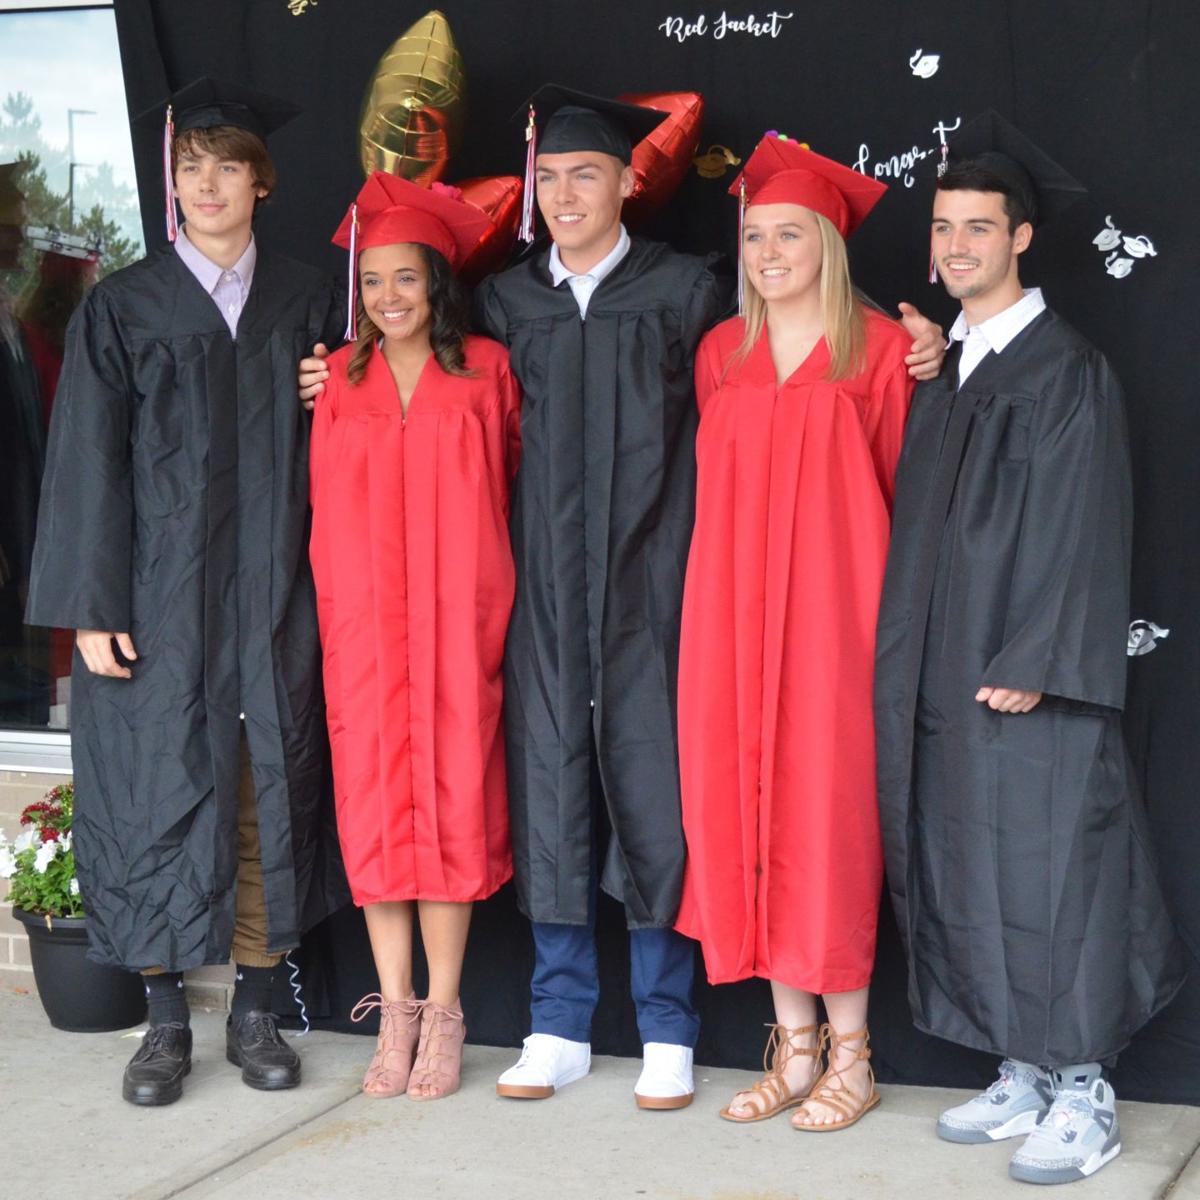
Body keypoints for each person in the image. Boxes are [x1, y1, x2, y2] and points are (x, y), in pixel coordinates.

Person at [298, 88, 943, 1108]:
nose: (563, 194)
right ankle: (556, 1020)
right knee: (549, 791)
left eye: (585, 173)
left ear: (627, 182)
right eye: (547, 177)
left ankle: (669, 1031)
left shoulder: (688, 292)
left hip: (666, 588)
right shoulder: (503, 307)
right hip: (545, 595)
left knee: (659, 801)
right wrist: (332, 375)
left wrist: (920, 348)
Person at [874, 111, 1184, 1184]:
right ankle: (1027, 1068)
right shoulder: (953, 369)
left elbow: (1085, 524)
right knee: (973, 861)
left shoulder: (1065, 371)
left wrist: (1039, 657)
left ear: (1020, 239)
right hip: (951, 673)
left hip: (1025, 678)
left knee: (1059, 875)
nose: (956, 245)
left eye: (978, 228)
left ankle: (1086, 1086)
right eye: (943, 227)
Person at [25, 78, 346, 1107]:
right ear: (172, 185)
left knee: (264, 799)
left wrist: (340, 388)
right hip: (156, 604)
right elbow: (84, 465)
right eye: (188, 166)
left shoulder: (313, 300)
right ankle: (166, 1025)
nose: (206, 183)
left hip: (274, 598)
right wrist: (93, 605)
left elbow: (372, 440)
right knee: (155, 799)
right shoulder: (124, 307)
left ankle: (255, 1010)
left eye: (227, 164)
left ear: (263, 179)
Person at [676, 133, 919, 1131]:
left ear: (827, 240)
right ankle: (794, 1047)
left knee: (826, 824)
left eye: (789, 233)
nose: (768, 250)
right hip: (727, 623)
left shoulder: (883, 350)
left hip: (834, 625)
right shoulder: (719, 356)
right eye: (755, 234)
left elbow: (905, 492)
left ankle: (853, 1058)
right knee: (745, 815)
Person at [309, 171, 521, 1101]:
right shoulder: (339, 380)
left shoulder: (484, 370)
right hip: (363, 635)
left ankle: (445, 1010)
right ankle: (391, 1012)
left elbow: (508, 486)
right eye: (372, 281)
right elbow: (319, 508)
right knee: (377, 820)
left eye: (405, 278)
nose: (387, 298)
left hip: (450, 631)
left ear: (437, 282)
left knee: (448, 818)